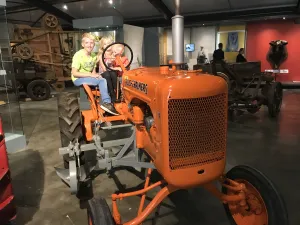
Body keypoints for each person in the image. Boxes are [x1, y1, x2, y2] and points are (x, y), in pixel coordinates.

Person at [71, 33, 119, 116]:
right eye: (87, 43)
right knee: (102, 81)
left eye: (91, 43)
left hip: (88, 77)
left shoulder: (93, 56)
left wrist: (96, 75)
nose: (89, 45)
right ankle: (107, 103)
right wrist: (90, 75)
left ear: (94, 44)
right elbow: (74, 73)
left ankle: (115, 98)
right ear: (82, 44)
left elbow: (93, 70)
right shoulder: (78, 55)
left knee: (104, 78)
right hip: (78, 79)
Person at [97, 37, 119, 102]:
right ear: (102, 46)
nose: (107, 45)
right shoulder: (101, 55)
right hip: (103, 73)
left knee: (112, 73)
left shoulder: (114, 54)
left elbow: (117, 63)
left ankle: (118, 92)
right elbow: (104, 69)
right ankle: (112, 94)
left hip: (111, 72)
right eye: (105, 44)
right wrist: (114, 68)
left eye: (109, 43)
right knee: (107, 74)